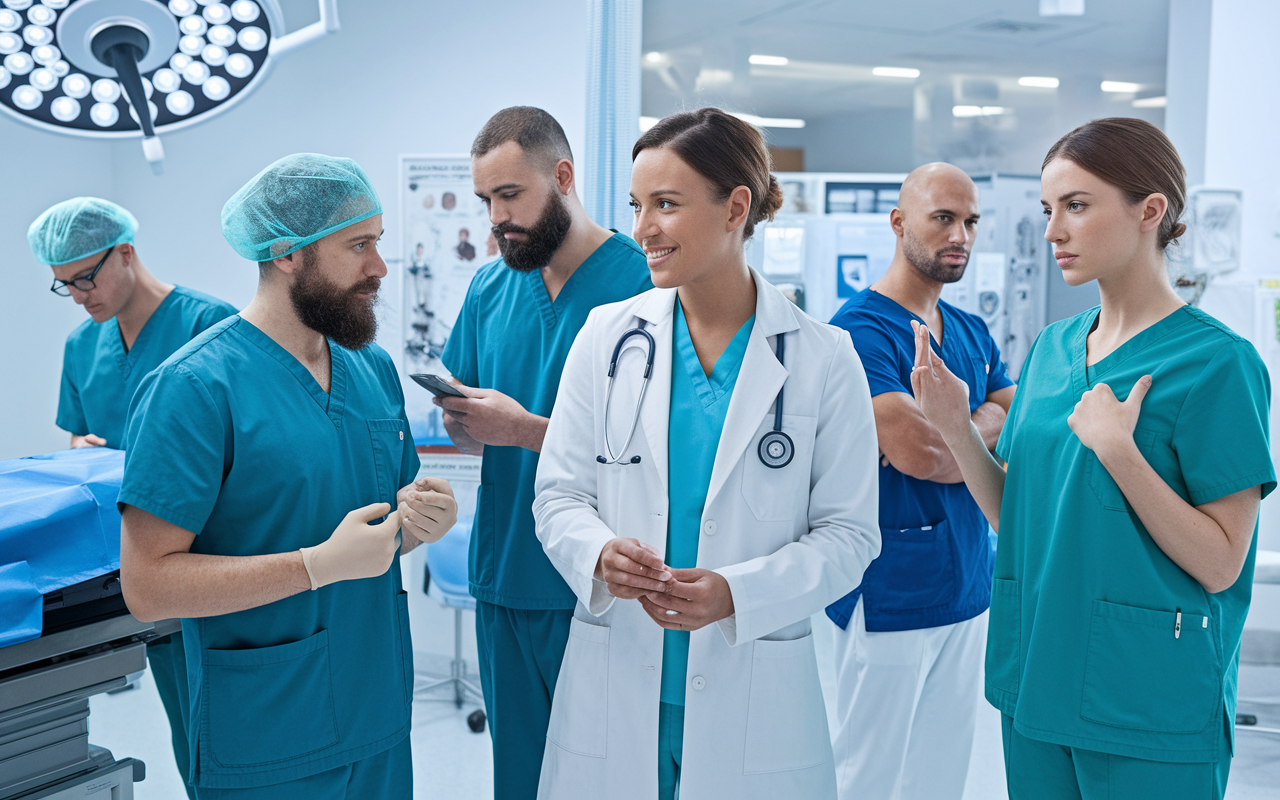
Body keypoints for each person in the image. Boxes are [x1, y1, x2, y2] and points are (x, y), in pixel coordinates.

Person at [911, 118, 1273, 800]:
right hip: (1037, 683)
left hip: (1147, 700)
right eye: (1049, 210)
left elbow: (1222, 561)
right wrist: (958, 430)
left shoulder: (1218, 363)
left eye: (1076, 206)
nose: (1052, 231)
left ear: (1150, 211)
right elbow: (1017, 514)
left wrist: (1120, 452)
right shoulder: (1053, 348)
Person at [532, 107, 882, 800]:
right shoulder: (607, 337)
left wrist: (736, 595)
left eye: (666, 204)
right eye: (636, 206)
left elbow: (850, 536)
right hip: (619, 676)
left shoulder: (822, 357)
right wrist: (597, 553)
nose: (642, 230)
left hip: (753, 688)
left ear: (736, 208)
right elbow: (558, 496)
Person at [116, 154, 459, 799]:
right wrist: (313, 567)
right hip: (269, 732)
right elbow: (149, 585)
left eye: (377, 242)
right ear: (287, 254)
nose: (380, 268)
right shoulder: (193, 388)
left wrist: (418, 526)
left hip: (377, 711)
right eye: (359, 246)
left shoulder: (372, 368)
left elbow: (375, 540)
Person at [434, 106, 652, 800]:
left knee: (608, 778)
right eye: (485, 201)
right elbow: (473, 423)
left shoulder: (645, 286)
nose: (496, 218)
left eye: (510, 195)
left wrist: (526, 429)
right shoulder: (491, 286)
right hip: (506, 577)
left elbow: (664, 449)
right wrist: (468, 426)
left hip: (603, 582)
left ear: (562, 177)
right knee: (520, 780)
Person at [29, 196, 237, 800]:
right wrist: (82, 448)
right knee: (186, 725)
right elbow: (79, 434)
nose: (78, 296)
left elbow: (239, 450)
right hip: (126, 564)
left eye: (85, 278)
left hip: (205, 558)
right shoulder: (80, 345)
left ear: (125, 252)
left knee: (227, 725)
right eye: (63, 285)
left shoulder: (208, 325)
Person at [824, 163, 1015, 800]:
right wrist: (972, 425)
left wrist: (966, 422)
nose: (960, 234)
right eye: (943, 218)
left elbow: (1017, 417)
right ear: (899, 223)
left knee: (941, 777)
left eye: (970, 221)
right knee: (865, 778)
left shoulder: (971, 330)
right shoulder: (860, 330)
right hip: (889, 592)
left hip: (966, 587)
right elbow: (920, 450)